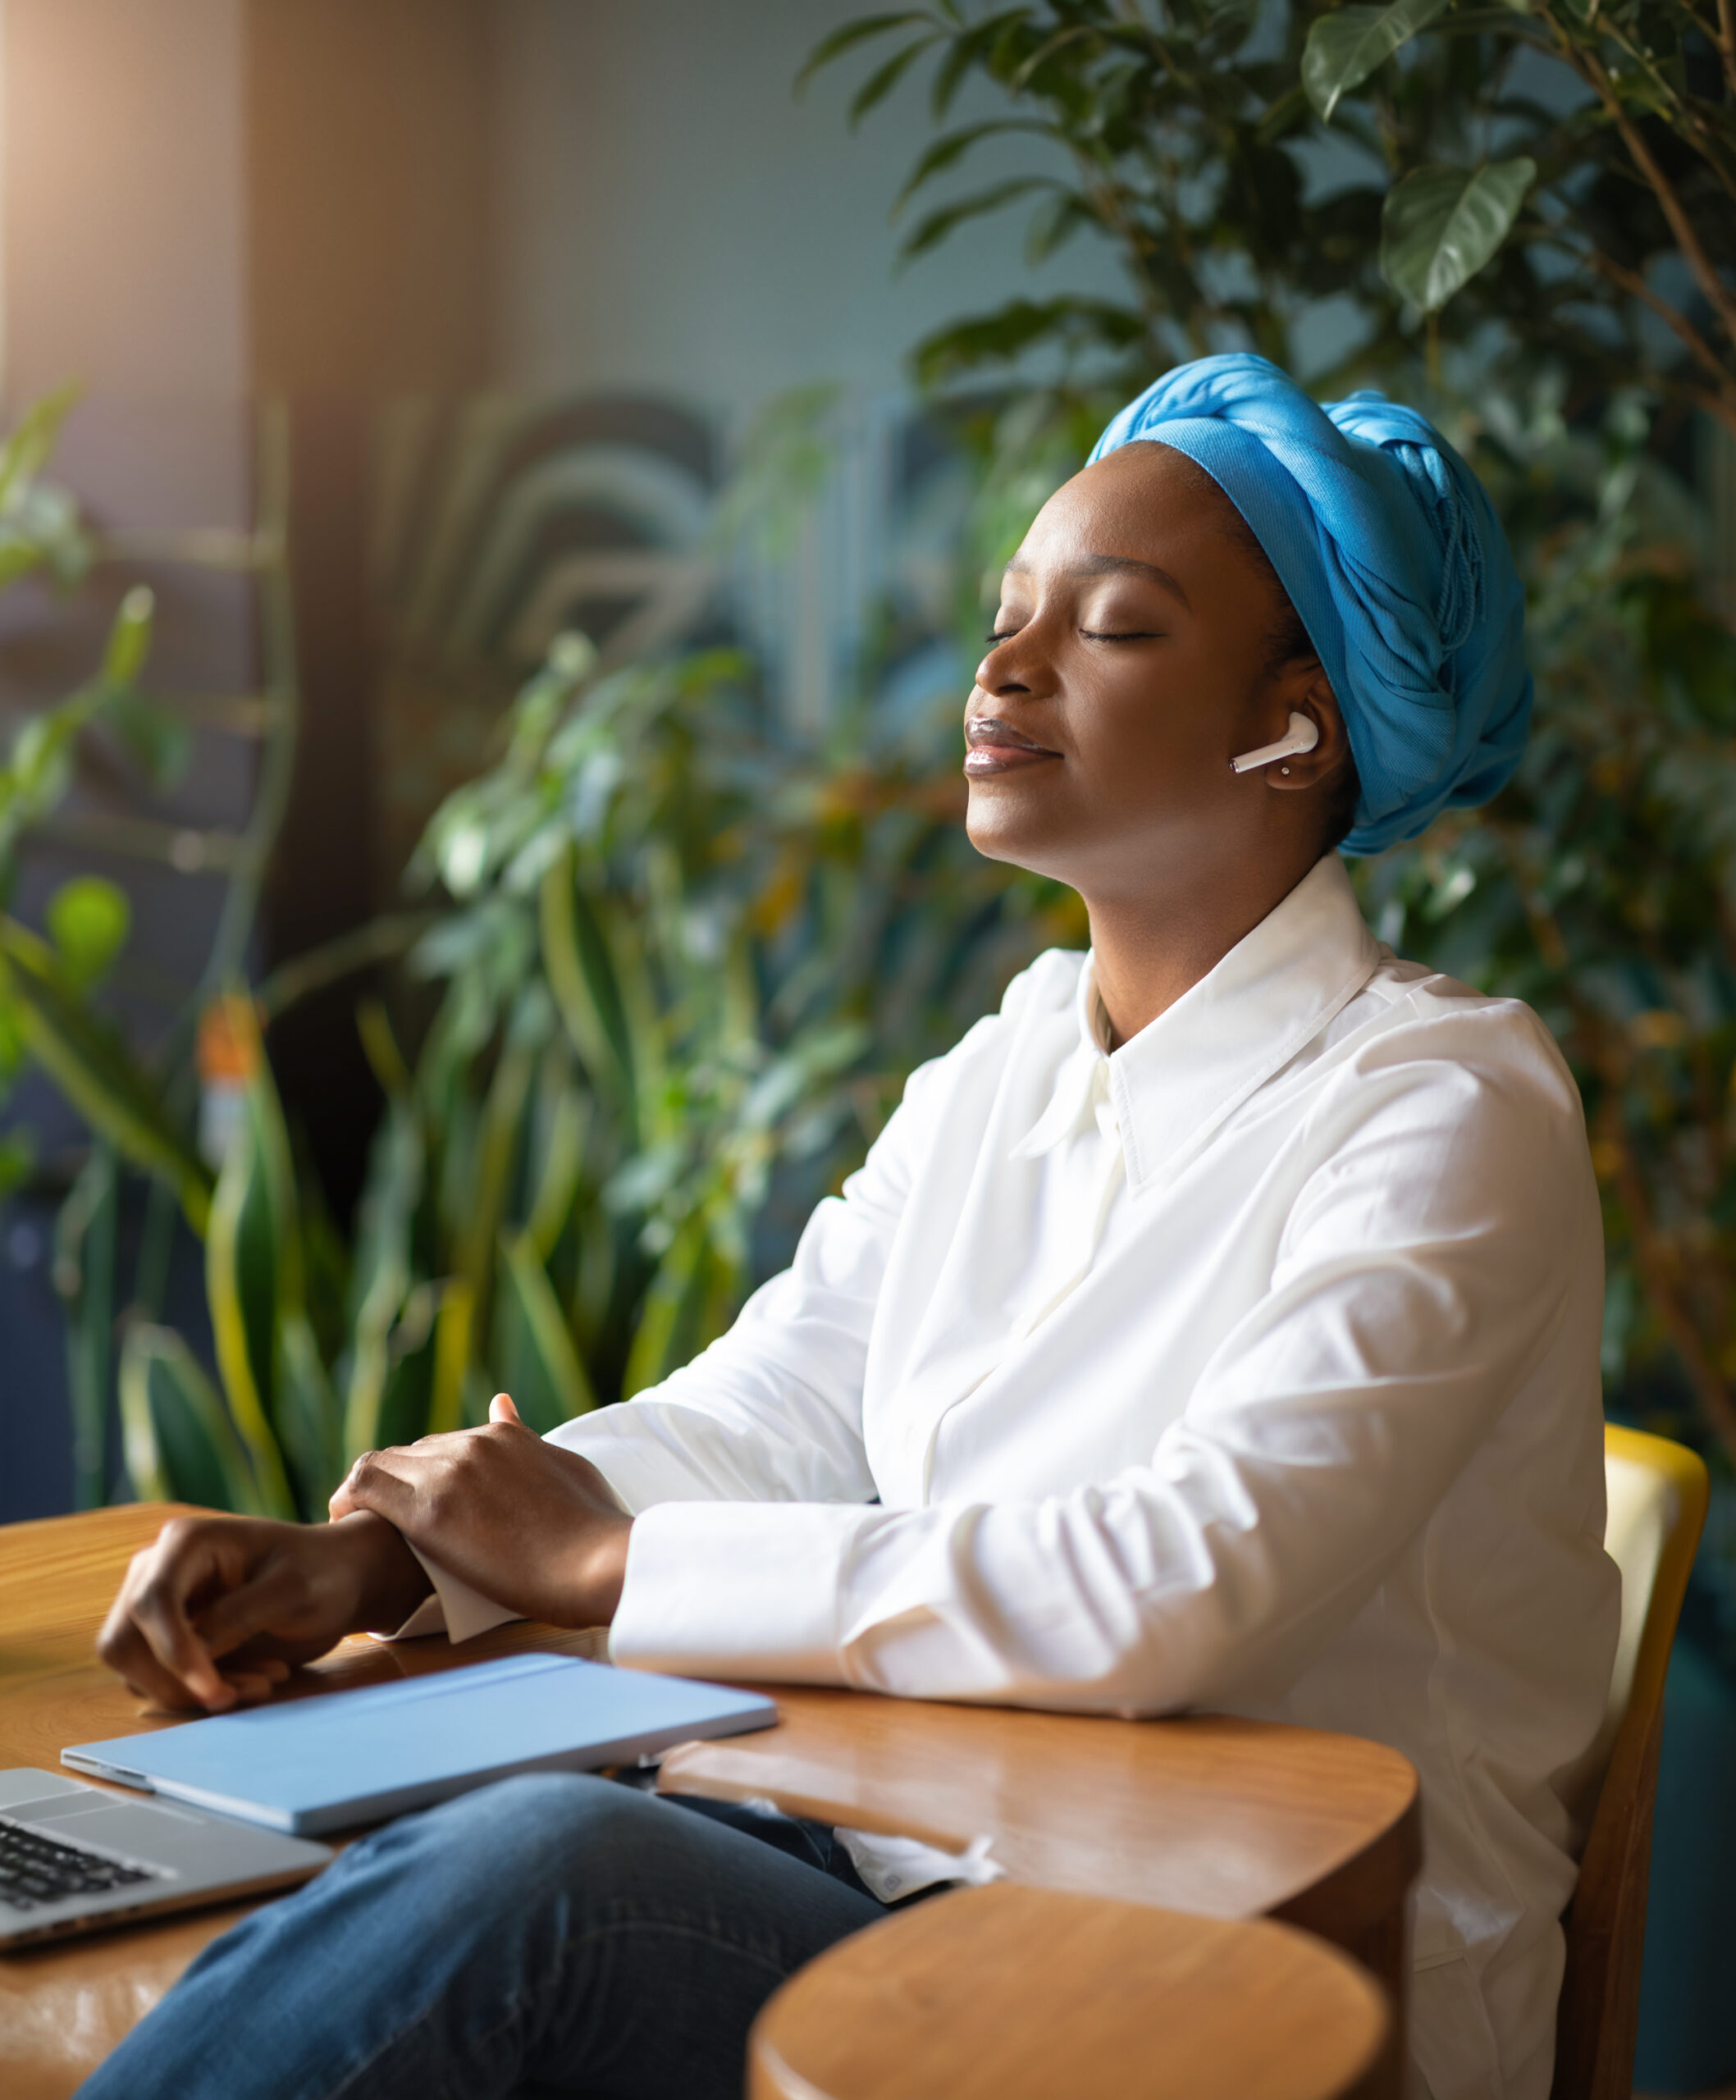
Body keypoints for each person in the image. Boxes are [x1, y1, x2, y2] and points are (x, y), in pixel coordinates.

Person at [85, 354, 1617, 2100]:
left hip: (1244, 1970)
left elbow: (1184, 1580)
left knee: (541, 1887)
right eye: (1004, 613)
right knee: (352, 1841)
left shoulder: (1442, 1106)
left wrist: (599, 1563)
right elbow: (775, 1408)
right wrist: (394, 1561)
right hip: (904, 1850)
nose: (1001, 669)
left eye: (1106, 626)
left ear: (1297, 724)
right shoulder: (1010, 1060)